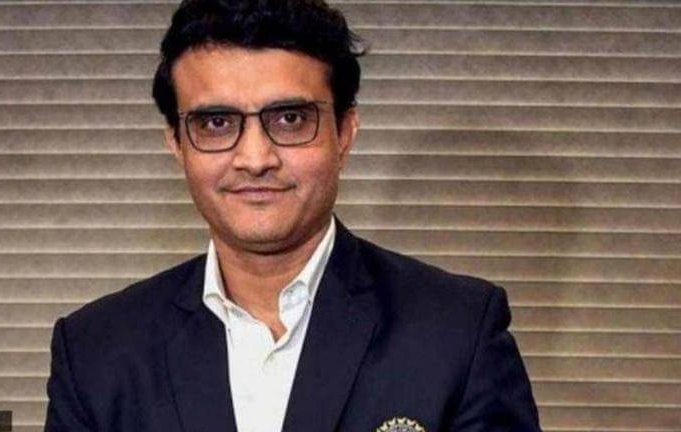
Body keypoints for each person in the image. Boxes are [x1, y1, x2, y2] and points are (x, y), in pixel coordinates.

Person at [44, 0, 541, 431]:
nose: (255, 158)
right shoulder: (95, 352)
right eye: (216, 123)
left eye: (290, 119)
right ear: (177, 144)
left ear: (345, 132)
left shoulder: (457, 332)